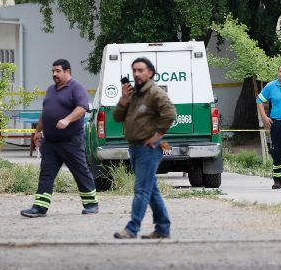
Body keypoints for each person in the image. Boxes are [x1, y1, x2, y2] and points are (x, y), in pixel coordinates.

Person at [21, 59, 99, 218]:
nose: (54, 74)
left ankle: (91, 204)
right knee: (46, 174)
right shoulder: (51, 90)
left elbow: (82, 107)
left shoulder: (76, 88)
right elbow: (45, 112)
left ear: (67, 71)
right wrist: (37, 132)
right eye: (53, 71)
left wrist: (67, 120)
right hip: (50, 143)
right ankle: (39, 207)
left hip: (71, 141)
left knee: (81, 172)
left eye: (57, 71)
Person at [112, 57, 177, 240]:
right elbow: (117, 117)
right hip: (135, 148)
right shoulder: (133, 94)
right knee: (151, 190)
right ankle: (163, 228)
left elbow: (170, 114)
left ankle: (132, 229)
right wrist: (123, 99)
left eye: (141, 70)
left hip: (148, 149)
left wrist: (157, 137)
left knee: (141, 190)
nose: (136, 74)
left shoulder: (155, 93)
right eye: (134, 70)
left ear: (150, 73)